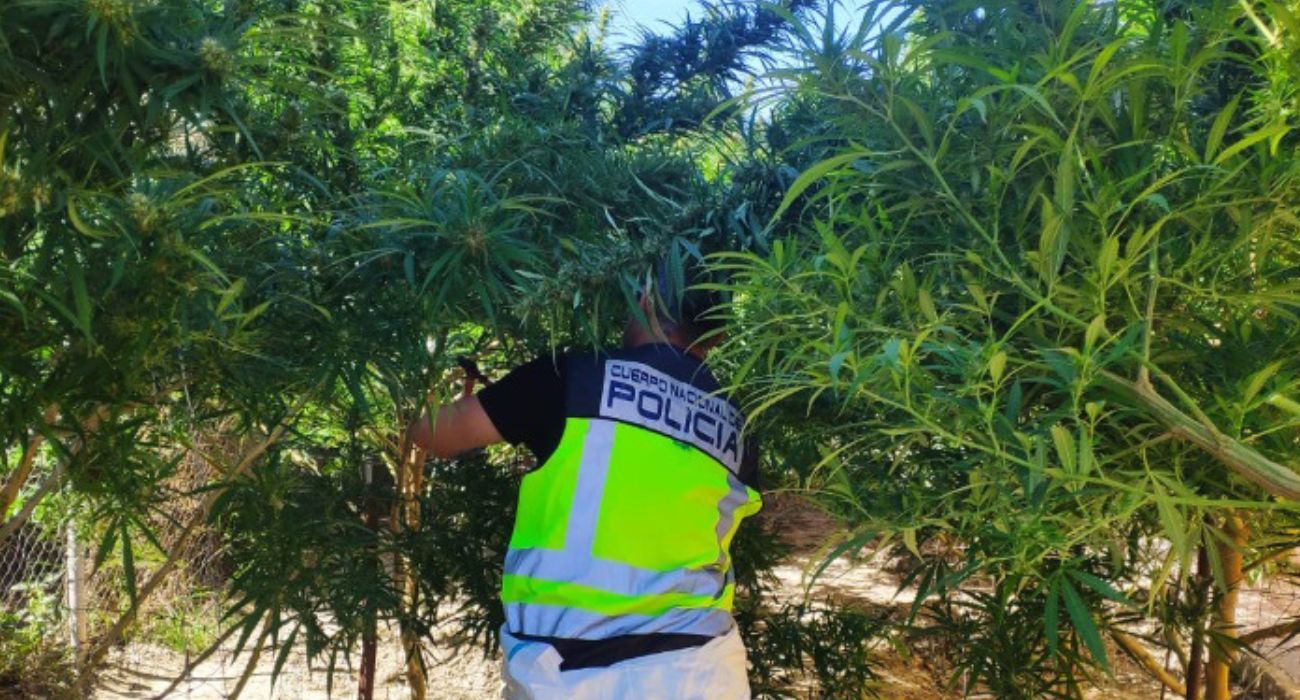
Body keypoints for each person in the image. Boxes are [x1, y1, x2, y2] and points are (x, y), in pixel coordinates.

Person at [408, 265, 762, 699]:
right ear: (717, 333)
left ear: (645, 299)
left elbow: (434, 433)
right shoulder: (740, 426)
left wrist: (428, 381)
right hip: (702, 675)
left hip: (574, 678)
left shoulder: (573, 377)